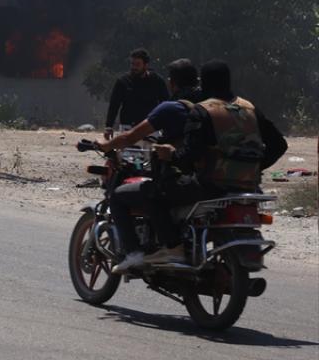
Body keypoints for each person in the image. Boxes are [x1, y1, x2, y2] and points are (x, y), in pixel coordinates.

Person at [103, 60, 286, 273]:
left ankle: (173, 247)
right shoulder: (250, 109)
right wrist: (253, 167)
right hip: (248, 186)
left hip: (209, 184)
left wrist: (172, 155)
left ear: (204, 83)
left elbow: (190, 155)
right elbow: (279, 145)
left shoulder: (204, 111)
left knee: (155, 190)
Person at [105, 48, 169, 139]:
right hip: (128, 127)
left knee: (150, 152)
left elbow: (165, 103)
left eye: (138, 64)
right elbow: (114, 105)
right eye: (132, 64)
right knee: (126, 153)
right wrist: (109, 126)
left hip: (150, 127)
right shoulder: (123, 81)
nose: (134, 67)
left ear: (146, 65)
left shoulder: (157, 81)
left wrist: (166, 125)